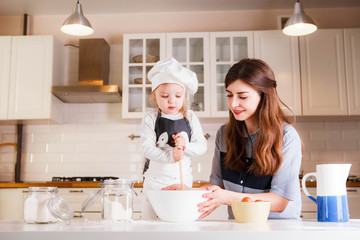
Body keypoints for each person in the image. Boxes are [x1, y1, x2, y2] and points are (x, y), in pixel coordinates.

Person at [164, 58, 302, 220]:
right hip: (239, 226)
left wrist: (225, 197)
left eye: (242, 96)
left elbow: (280, 201)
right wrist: (189, 192)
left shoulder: (287, 137)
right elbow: (217, 185)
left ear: (263, 96)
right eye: (229, 95)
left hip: (280, 229)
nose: (233, 103)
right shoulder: (224, 134)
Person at [140, 57, 207, 219]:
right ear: (155, 95)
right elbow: (147, 148)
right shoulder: (150, 118)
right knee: (150, 225)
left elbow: (202, 146)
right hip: (155, 182)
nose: (172, 101)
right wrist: (171, 155)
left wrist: (185, 147)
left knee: (179, 221)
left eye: (178, 96)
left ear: (184, 96)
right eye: (164, 96)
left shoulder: (190, 117)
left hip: (182, 181)